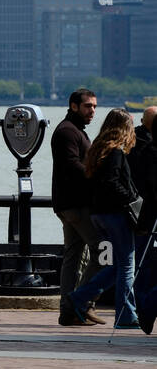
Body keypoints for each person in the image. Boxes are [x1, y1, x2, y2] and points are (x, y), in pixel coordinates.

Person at [68, 108, 141, 328]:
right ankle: (125, 316)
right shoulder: (116, 151)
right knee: (127, 265)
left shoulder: (98, 150)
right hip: (115, 214)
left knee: (118, 265)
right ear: (124, 127)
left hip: (98, 214)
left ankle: (80, 296)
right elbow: (113, 183)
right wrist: (132, 198)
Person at [51, 89, 104, 326]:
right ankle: (81, 302)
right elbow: (72, 165)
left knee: (73, 257)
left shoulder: (75, 131)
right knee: (103, 252)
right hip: (76, 205)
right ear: (74, 106)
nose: (92, 111)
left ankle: (69, 311)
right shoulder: (66, 132)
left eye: (94, 106)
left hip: (69, 204)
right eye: (87, 106)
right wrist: (98, 176)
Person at [128, 108, 157, 334]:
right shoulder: (150, 152)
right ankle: (146, 306)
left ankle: (145, 305)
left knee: (142, 264)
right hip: (150, 216)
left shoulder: (144, 148)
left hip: (146, 215)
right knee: (141, 264)